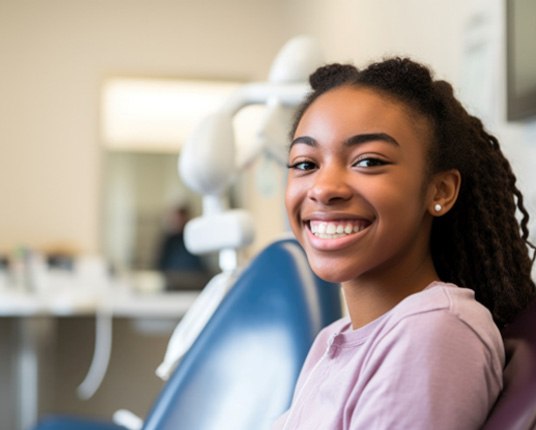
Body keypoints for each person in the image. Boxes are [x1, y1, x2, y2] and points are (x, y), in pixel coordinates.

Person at [273, 58, 535, 429]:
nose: (324, 188)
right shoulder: (332, 340)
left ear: (439, 190)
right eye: (305, 164)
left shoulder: (433, 331)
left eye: (368, 161)